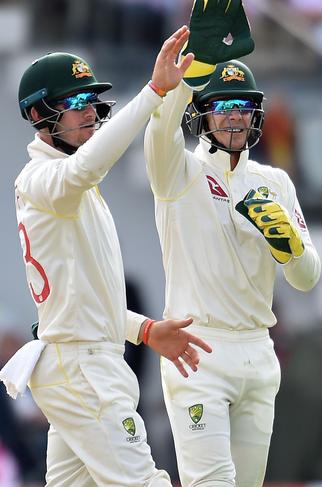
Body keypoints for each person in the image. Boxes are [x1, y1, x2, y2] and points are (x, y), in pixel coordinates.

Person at [10, 26, 213, 486]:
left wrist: (142, 329)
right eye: (75, 104)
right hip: (83, 370)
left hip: (85, 361)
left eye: (90, 103)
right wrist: (154, 92)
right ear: (41, 114)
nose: (88, 113)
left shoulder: (73, 188)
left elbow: (84, 302)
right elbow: (87, 166)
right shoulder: (40, 181)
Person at [143, 55, 321, 484]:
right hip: (199, 349)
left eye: (243, 106)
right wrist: (190, 70)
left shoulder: (274, 181)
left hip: (259, 351)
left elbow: (307, 278)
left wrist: (290, 248)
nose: (235, 117)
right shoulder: (179, 170)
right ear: (201, 114)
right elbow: (159, 130)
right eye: (222, 106)